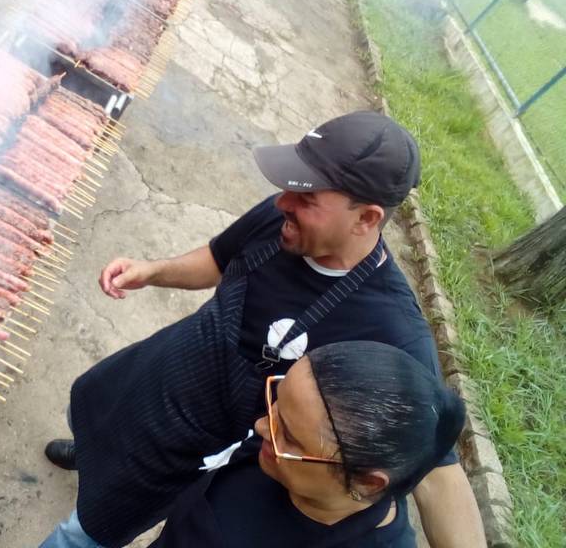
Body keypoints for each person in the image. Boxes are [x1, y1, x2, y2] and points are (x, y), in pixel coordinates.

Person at [41, 112, 485, 548]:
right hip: (165, 367)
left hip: (192, 445)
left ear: (366, 218)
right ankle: (92, 459)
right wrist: (152, 270)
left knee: (83, 531)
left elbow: (434, 474)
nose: (282, 202)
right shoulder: (286, 221)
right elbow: (219, 257)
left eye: (308, 197)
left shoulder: (392, 331)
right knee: (99, 419)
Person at [150, 340, 466, 548]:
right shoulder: (278, 453)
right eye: (276, 402)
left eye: (288, 436)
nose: (262, 427)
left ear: (367, 482)